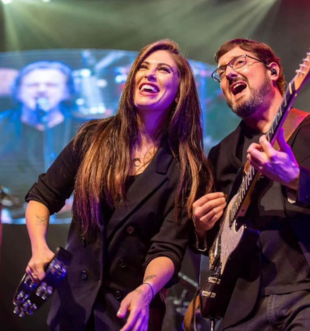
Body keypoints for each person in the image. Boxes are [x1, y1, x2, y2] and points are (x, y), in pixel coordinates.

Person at [24, 39, 213, 331]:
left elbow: (167, 248)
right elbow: (43, 196)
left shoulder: (186, 167)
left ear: (179, 93)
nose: (149, 74)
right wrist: (39, 248)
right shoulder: (92, 137)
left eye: (163, 70)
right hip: (73, 303)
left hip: (128, 311)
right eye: (143, 67)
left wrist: (146, 290)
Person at [193, 38, 310, 331]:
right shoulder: (220, 155)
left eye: (239, 62)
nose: (229, 74)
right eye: (221, 72)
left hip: (309, 297)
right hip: (243, 307)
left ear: (273, 71)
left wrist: (298, 180)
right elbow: (215, 246)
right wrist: (200, 228)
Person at [0, 61, 83, 220]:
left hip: (71, 221)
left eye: (51, 85)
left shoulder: (85, 129)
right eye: (33, 85)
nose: (42, 90)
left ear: (66, 91)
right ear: (18, 92)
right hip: (12, 220)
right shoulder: (2, 126)